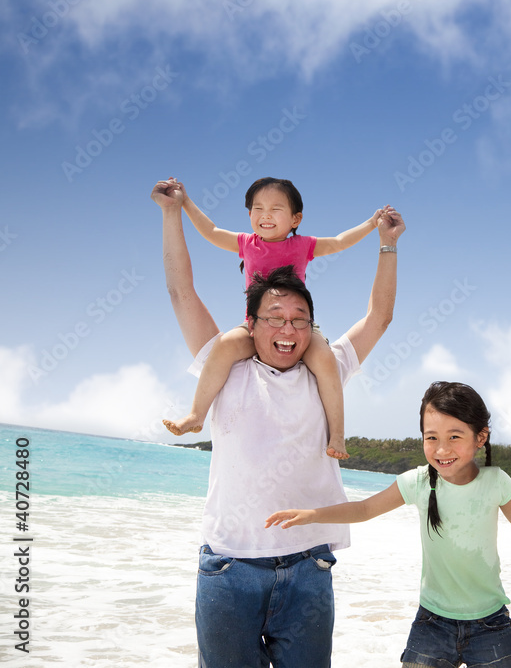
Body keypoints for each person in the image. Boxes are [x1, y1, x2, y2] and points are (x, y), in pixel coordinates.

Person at [151, 178, 404, 668]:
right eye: (274, 317)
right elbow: (181, 291)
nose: (287, 328)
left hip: (309, 567)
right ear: (251, 323)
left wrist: (387, 244)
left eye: (299, 319)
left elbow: (380, 316)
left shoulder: (324, 366)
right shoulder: (225, 367)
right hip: (230, 568)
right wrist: (171, 213)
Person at [266, 381, 511, 668]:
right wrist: (313, 514)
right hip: (432, 622)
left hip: (491, 622)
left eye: (455, 436)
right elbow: (364, 509)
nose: (441, 448)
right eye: (431, 437)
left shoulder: (495, 481)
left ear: (481, 437)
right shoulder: (417, 482)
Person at [163, 176, 383, 459]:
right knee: (225, 345)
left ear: (295, 218)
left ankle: (337, 435)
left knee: (326, 360)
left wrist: (371, 223)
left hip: (298, 326)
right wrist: (185, 202)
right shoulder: (247, 243)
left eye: (276, 209)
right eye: (257, 208)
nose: (265, 215)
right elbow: (212, 231)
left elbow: (340, 242)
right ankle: (196, 414)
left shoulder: (303, 245)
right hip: (254, 325)